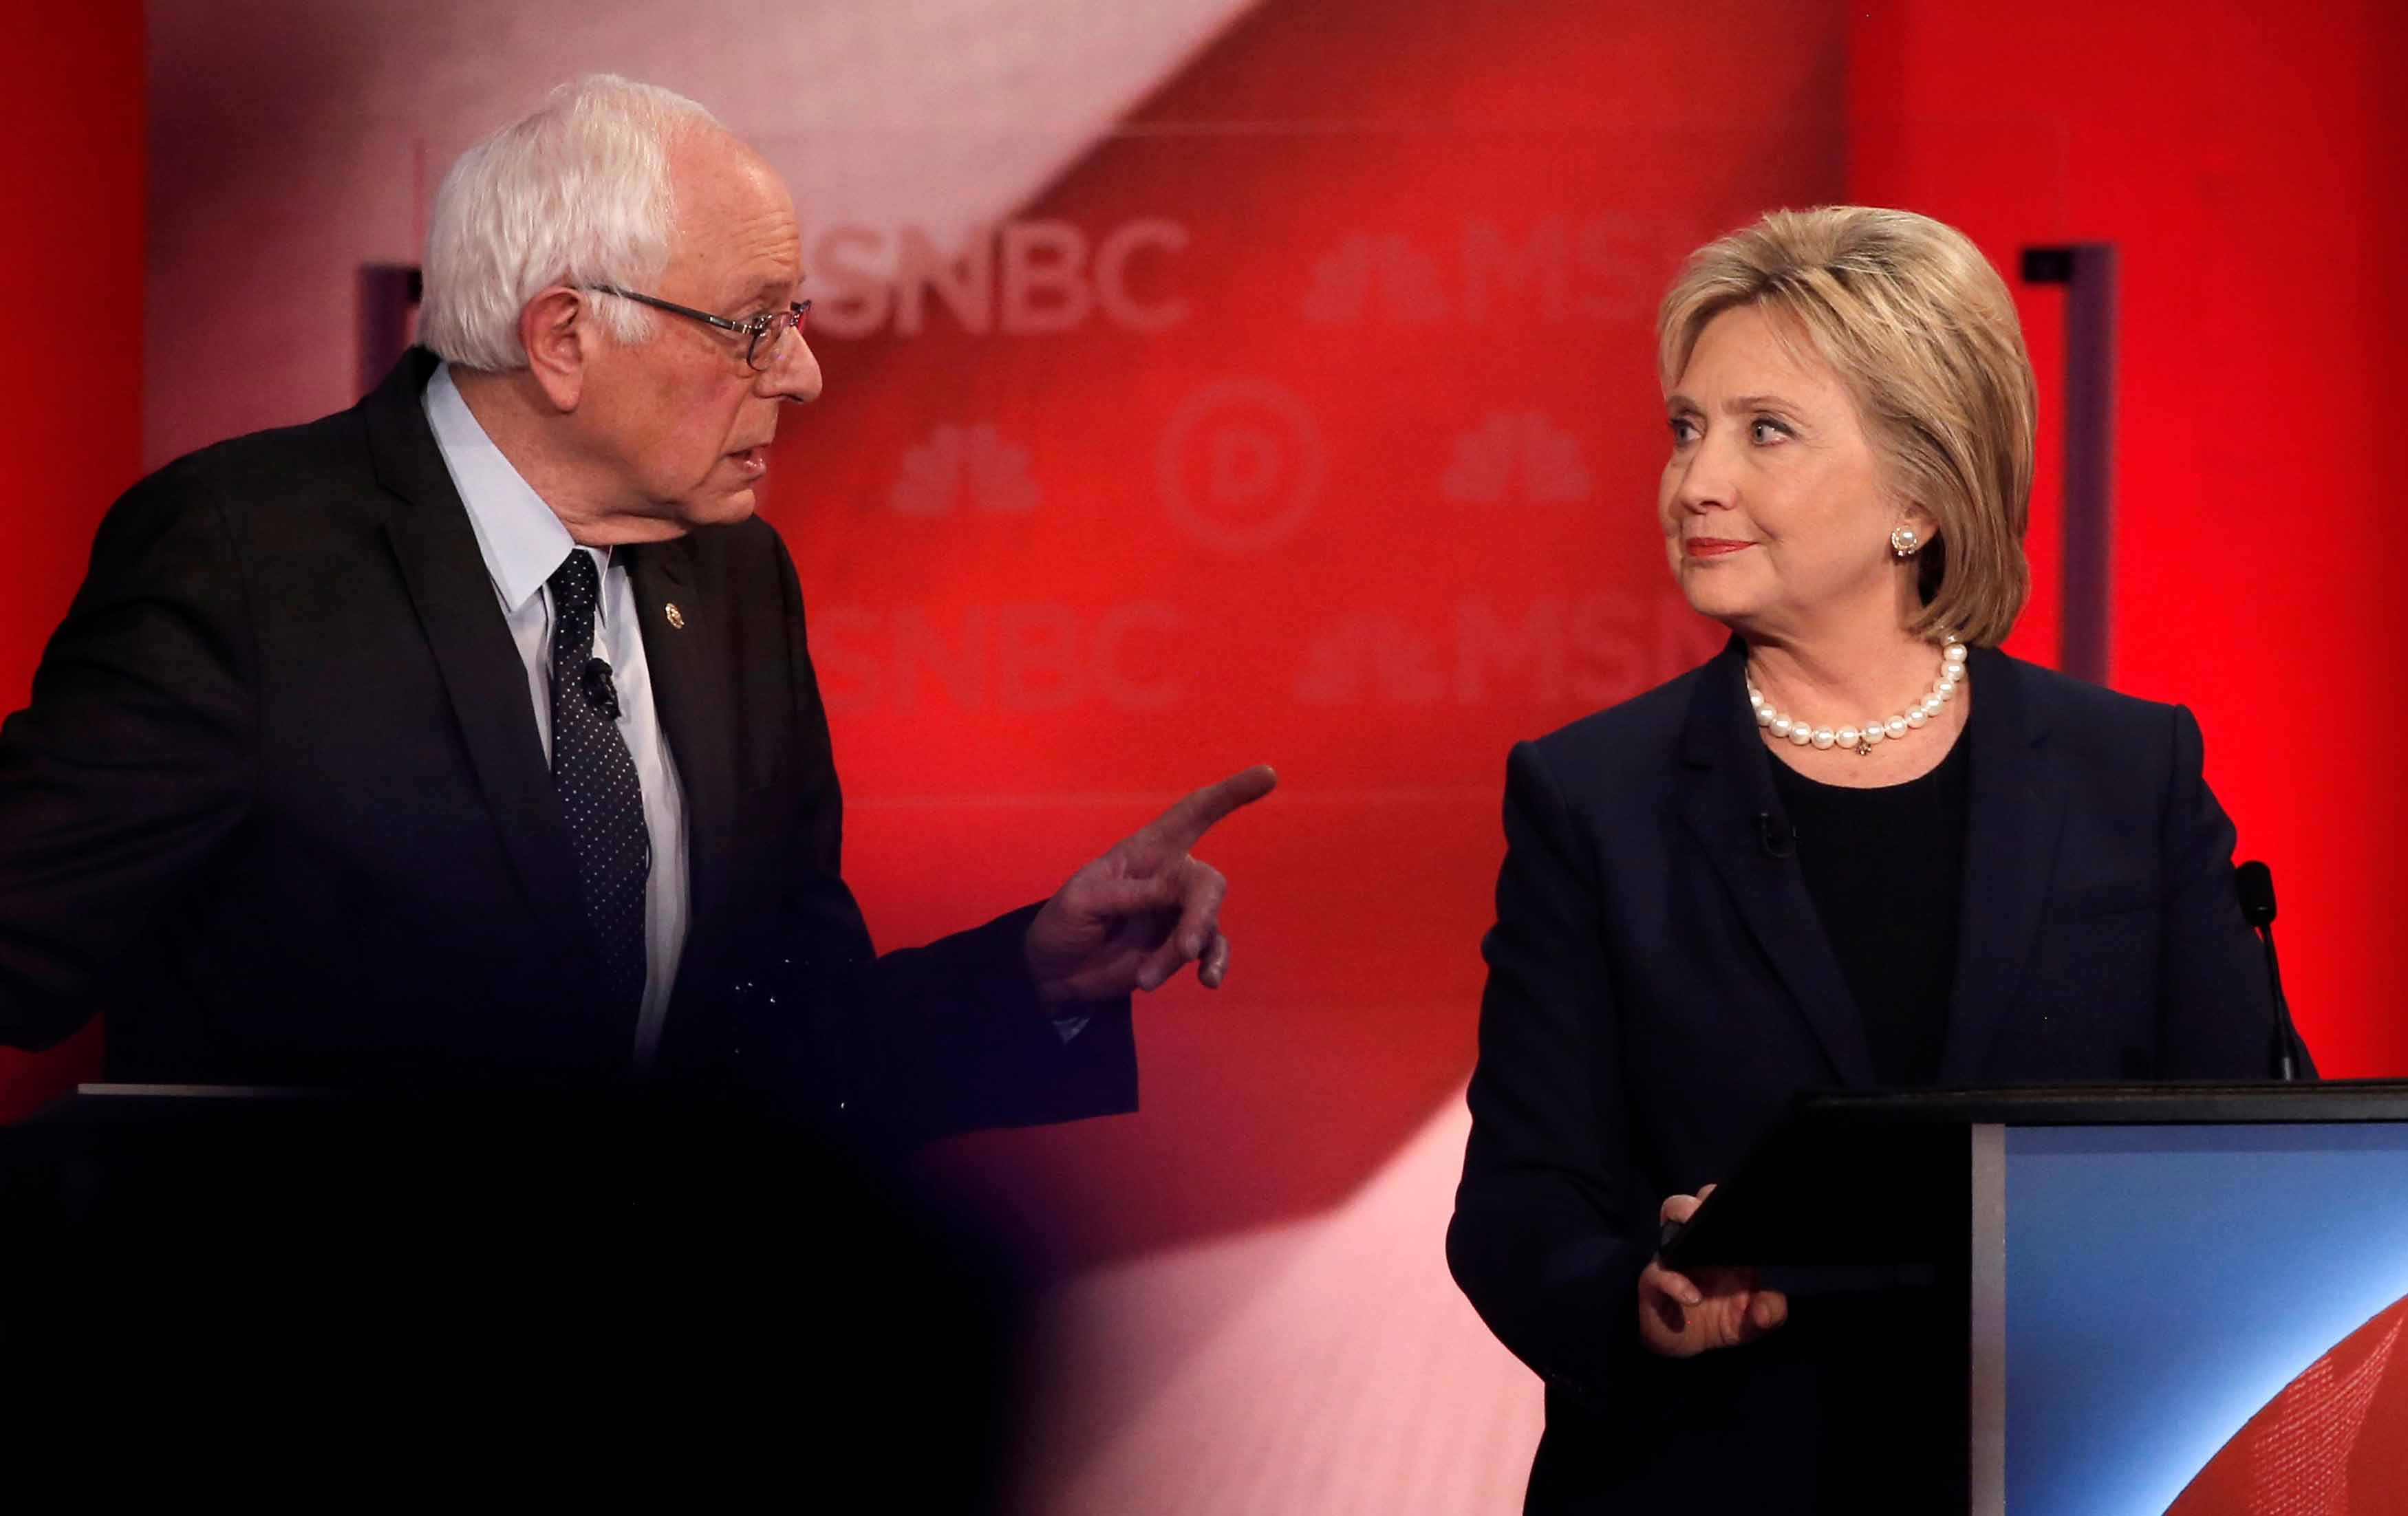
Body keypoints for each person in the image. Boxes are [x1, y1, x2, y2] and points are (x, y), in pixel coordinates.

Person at [0, 74, 1271, 1140]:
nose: (808, 374)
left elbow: (784, 1038)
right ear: (563, 337)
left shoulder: (735, 580)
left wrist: (1033, 975)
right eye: (755, 325)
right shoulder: (248, 555)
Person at [1445, 206, 2303, 1511]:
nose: (1696, 482)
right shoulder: (1590, 798)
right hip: (1716, 1474)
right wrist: (1639, 1298)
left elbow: (2245, 1166)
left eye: (1764, 431)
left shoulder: (2133, 774)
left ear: (1920, 490)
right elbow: (1518, 1207)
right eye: (1687, 429)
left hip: (2072, 1469)